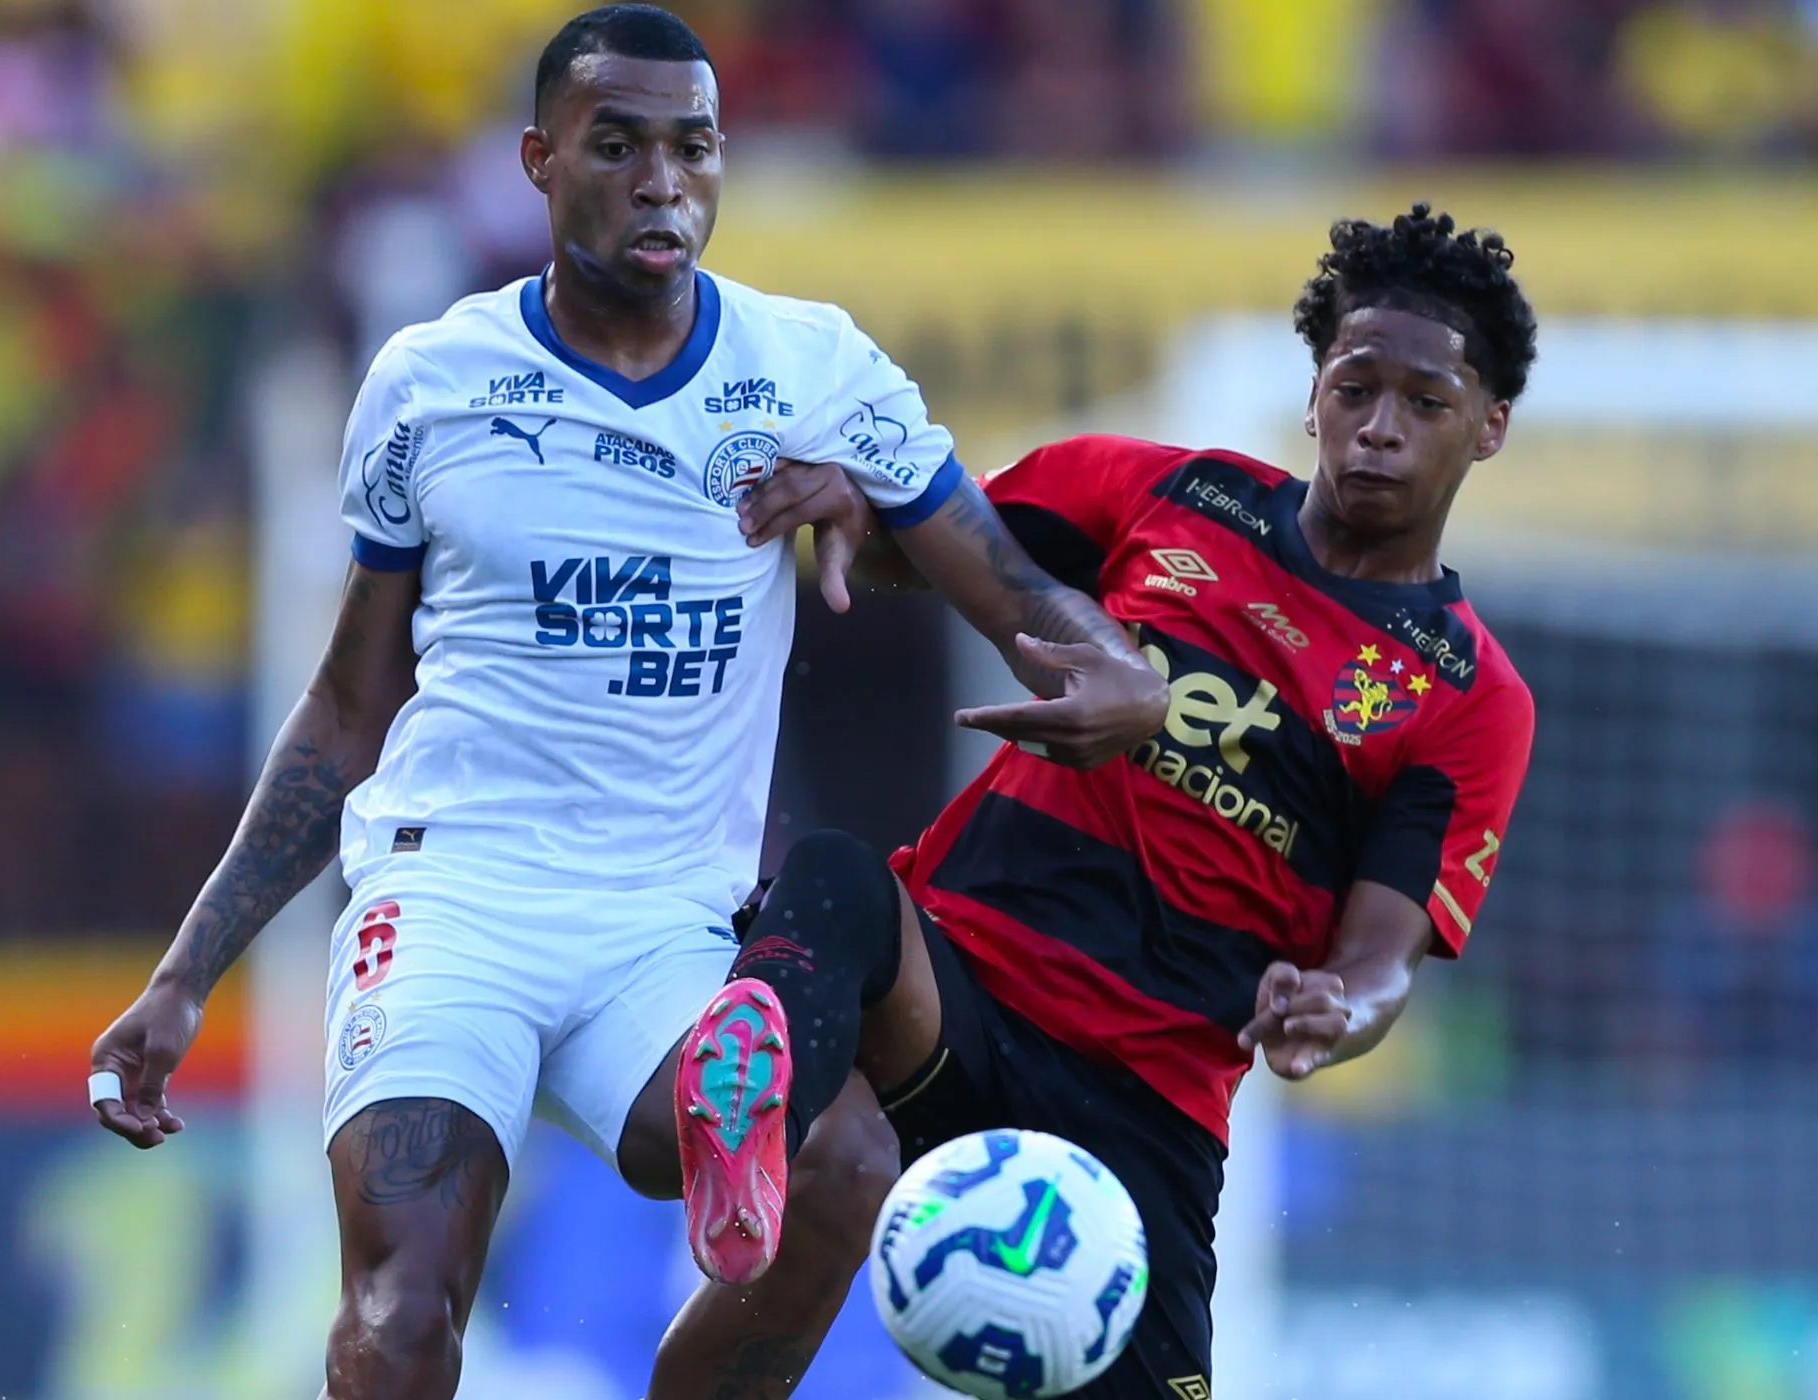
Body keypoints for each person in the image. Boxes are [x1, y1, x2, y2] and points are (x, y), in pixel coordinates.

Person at [82, 8, 1168, 1400]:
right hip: (452, 897)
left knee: (842, 1169)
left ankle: (728, 1141)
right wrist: (185, 974)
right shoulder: (430, 385)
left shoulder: (809, 372)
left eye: (694, 146)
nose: (664, 179)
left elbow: (1013, 590)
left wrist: (1117, 667)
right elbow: (350, 706)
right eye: (619, 144)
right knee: (405, 1316)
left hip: (664, 919)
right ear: (540, 160)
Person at [696, 204, 1540, 1397]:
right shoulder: (1164, 498)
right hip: (959, 989)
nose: (1376, 431)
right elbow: (921, 545)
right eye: (1353, 389)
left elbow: (1382, 953)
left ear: (1488, 426)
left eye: (1424, 403)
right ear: (1313, 394)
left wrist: (1334, 1006)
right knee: (832, 878)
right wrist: (853, 503)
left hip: (1144, 1103)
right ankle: (746, 1108)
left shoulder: (1466, 696)